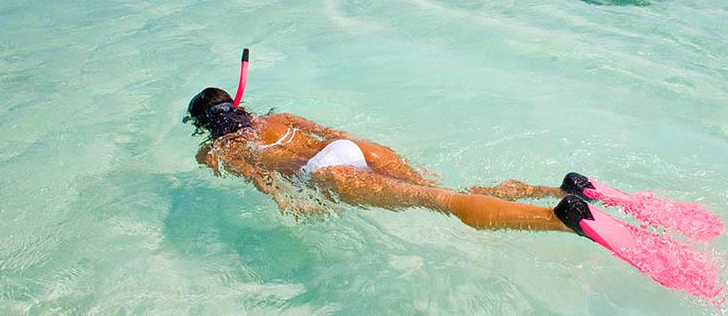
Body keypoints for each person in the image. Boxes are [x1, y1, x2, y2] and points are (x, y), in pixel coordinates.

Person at [185, 87, 595, 233]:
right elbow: (331, 134)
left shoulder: (219, 149)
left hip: (326, 173)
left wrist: (288, 201)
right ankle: (561, 189)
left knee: (442, 202)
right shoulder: (279, 117)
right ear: (236, 104)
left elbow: (260, 178)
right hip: (358, 148)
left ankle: (555, 219)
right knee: (442, 189)